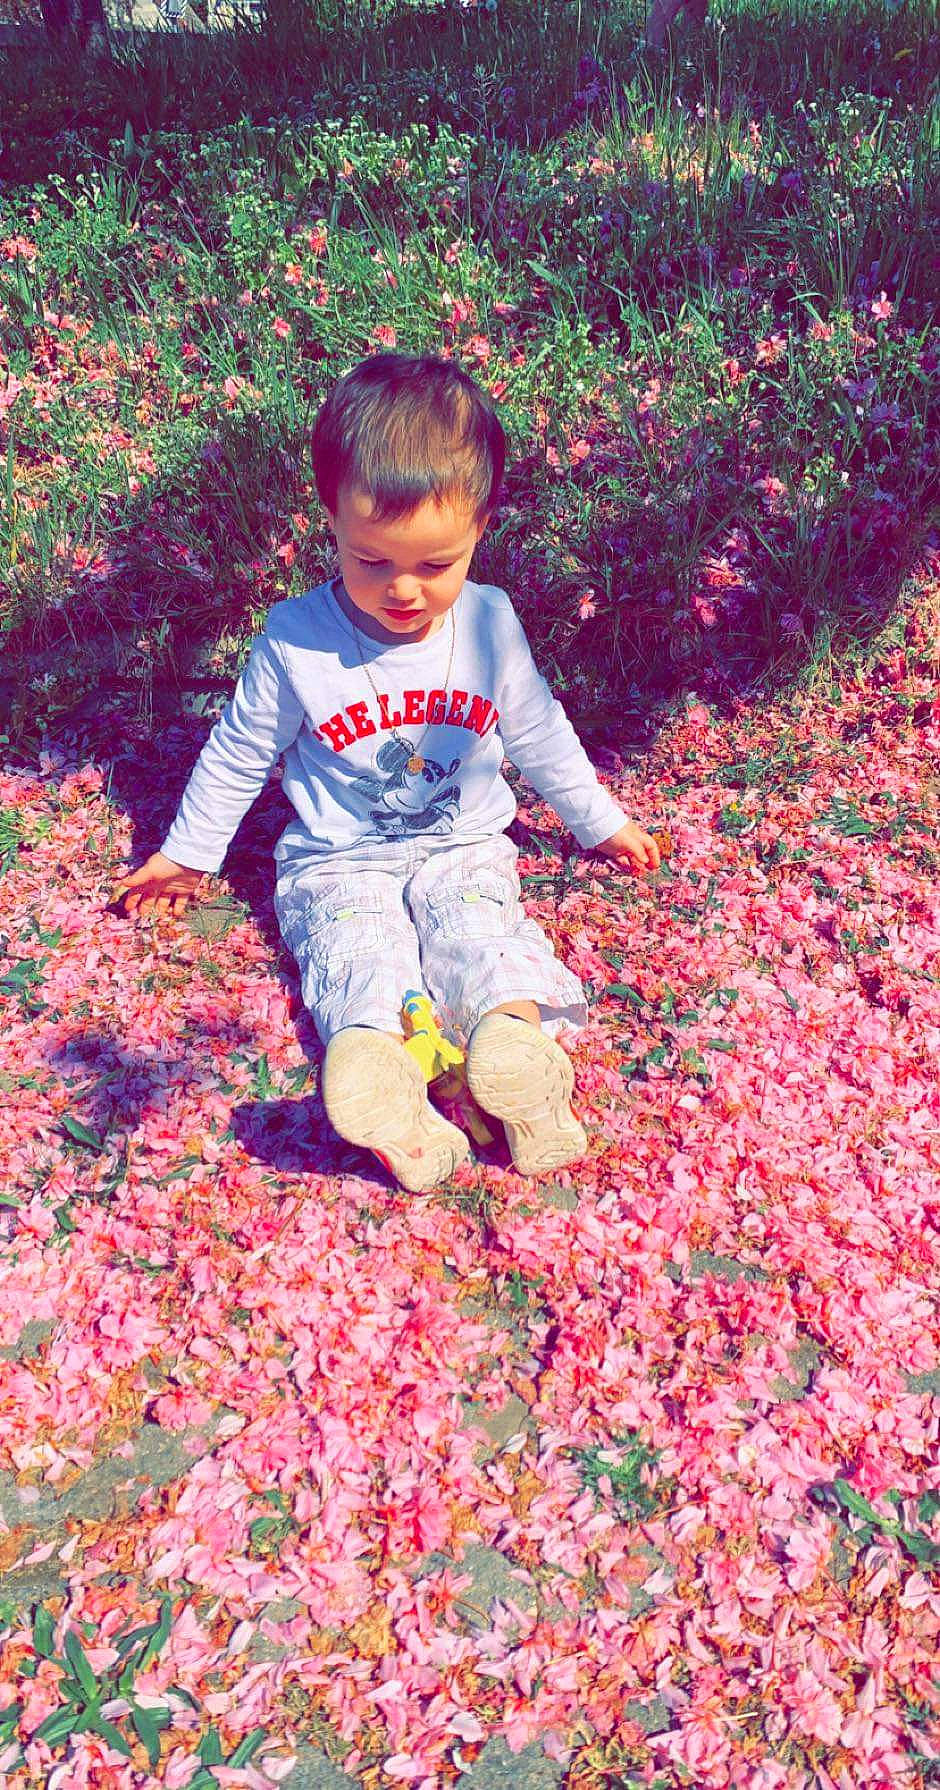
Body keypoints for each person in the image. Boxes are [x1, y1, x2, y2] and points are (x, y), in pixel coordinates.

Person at [113, 352, 661, 1192]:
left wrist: (599, 820)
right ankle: (378, 1074)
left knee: (483, 936)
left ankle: (513, 1054)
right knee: (356, 950)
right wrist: (191, 853)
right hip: (339, 858)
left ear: (480, 524)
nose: (403, 589)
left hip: (463, 846)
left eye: (434, 564)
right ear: (330, 518)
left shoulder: (490, 623)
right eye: (371, 560)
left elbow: (539, 731)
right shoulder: (298, 642)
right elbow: (239, 749)